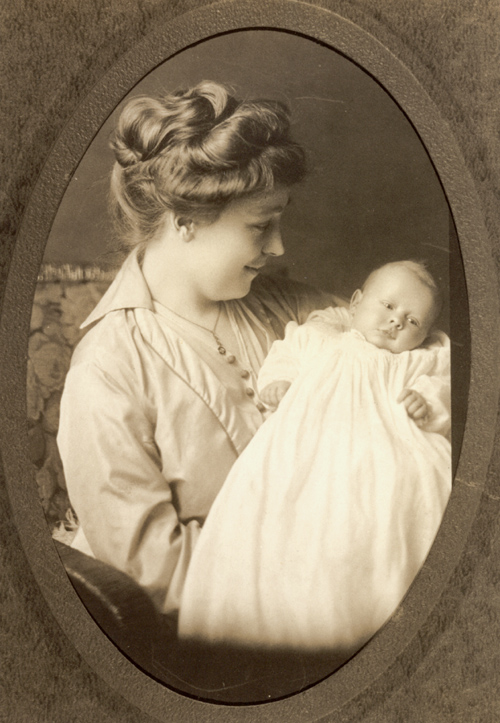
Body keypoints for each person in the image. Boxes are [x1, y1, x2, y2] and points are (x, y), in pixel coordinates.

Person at [56, 81, 336, 618]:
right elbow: (153, 574)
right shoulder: (108, 371)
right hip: (211, 631)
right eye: (261, 226)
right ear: (184, 222)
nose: (279, 247)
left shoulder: (285, 306)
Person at [178, 260, 452, 657]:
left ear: (424, 335)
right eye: (388, 306)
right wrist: (278, 383)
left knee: (406, 507)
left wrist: (427, 400)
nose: (395, 322)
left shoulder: (419, 360)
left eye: (412, 322)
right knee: (281, 522)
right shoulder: (322, 338)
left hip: (392, 452)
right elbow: (284, 356)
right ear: (356, 303)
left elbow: (449, 386)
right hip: (309, 449)